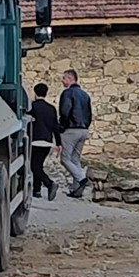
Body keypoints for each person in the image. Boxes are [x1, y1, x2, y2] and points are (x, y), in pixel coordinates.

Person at [58, 69, 93, 198]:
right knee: (75, 159)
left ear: (69, 79)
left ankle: (82, 179)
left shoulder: (67, 93)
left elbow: (65, 111)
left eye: (64, 78)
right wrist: (86, 126)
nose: (62, 81)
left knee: (65, 159)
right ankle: (76, 190)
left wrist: (61, 126)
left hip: (71, 129)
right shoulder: (85, 95)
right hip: (83, 129)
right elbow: (89, 114)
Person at [28, 83, 61, 200]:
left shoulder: (32, 107)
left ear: (35, 93)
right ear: (46, 93)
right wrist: (58, 143)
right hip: (47, 142)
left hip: (35, 141)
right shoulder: (51, 109)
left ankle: (49, 183)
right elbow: (56, 127)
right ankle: (36, 190)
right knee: (39, 165)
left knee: (34, 167)